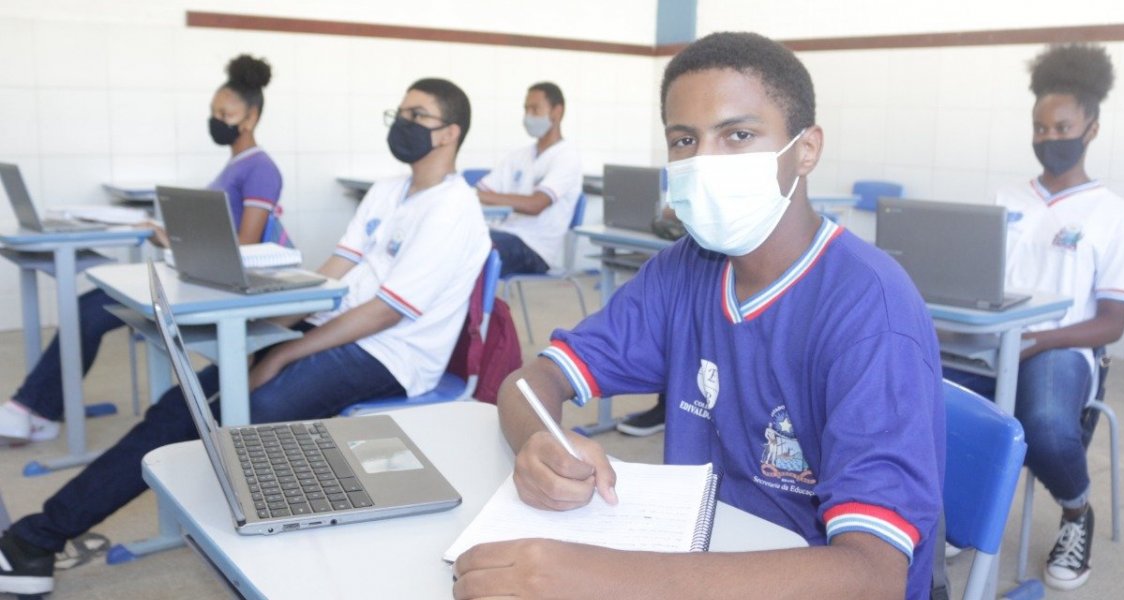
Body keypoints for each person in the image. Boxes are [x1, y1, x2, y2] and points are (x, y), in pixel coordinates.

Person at [452, 32, 944, 600]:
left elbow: (873, 576)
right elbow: (533, 380)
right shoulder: (683, 270)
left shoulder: (869, 309)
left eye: (738, 135)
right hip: (698, 554)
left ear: (806, 149)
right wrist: (540, 440)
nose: (705, 161)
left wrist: (600, 579)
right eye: (684, 140)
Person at [0, 78, 489, 596]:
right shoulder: (388, 191)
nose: (402, 125)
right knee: (181, 406)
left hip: (390, 354)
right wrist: (264, 329)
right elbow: (332, 275)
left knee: (240, 417)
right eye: (400, 113)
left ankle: (39, 540)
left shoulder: (454, 209)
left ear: (449, 133)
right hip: (332, 329)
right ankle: (38, 541)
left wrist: (282, 355)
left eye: (417, 116)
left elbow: (385, 313)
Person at [0, 54, 286, 444]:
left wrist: (175, 242)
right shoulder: (235, 165)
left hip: (221, 284)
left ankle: (32, 409)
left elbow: (247, 245)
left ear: (250, 118)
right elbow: (217, 237)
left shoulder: (261, 168)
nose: (216, 120)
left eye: (225, 114)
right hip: (201, 272)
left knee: (89, 311)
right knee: (88, 308)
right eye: (213, 112)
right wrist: (166, 236)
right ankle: (37, 408)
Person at [945, 44, 1124, 592]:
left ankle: (1077, 512)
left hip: (1063, 348)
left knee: (1048, 428)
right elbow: (978, 283)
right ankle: (960, 508)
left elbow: (1113, 323)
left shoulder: (1114, 215)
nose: (1049, 138)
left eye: (1062, 127)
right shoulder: (1005, 198)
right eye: (1039, 127)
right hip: (993, 343)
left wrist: (1038, 340)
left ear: (1091, 128)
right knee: (925, 396)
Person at [477, 82, 583, 277]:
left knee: (471, 250)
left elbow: (535, 205)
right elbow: (482, 191)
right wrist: (484, 196)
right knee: (457, 239)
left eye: (535, 109)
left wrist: (487, 197)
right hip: (504, 233)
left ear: (557, 112)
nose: (528, 116)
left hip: (535, 248)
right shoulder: (519, 156)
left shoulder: (567, 157)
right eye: (526, 109)